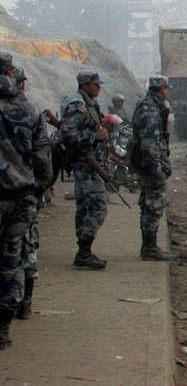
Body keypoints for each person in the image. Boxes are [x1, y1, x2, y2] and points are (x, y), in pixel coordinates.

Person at [0, 52, 51, 349]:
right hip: (20, 197)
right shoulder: (27, 107)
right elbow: (43, 158)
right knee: (11, 261)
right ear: (11, 73)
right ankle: (3, 328)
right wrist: (39, 189)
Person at [61, 69, 110, 269]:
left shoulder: (86, 102)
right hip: (86, 164)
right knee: (98, 207)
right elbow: (68, 135)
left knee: (84, 207)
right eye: (95, 84)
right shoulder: (78, 105)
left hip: (88, 163)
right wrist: (95, 137)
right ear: (84, 85)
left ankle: (84, 251)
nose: (99, 87)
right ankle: (83, 251)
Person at [132, 75, 176, 261]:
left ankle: (150, 245)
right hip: (151, 167)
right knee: (153, 205)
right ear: (162, 89)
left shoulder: (149, 106)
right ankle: (149, 247)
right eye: (167, 88)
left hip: (148, 165)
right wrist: (155, 168)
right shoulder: (150, 110)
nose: (168, 92)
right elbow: (149, 143)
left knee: (149, 204)